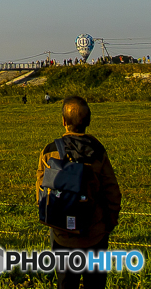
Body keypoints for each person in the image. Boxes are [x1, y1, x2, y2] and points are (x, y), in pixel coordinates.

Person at [36, 96, 121, 289]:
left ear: (64, 122)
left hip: (61, 234)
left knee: (66, 284)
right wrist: (108, 225)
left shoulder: (49, 151)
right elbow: (112, 193)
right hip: (95, 234)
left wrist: (52, 221)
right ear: (89, 121)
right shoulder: (98, 152)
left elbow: (41, 190)